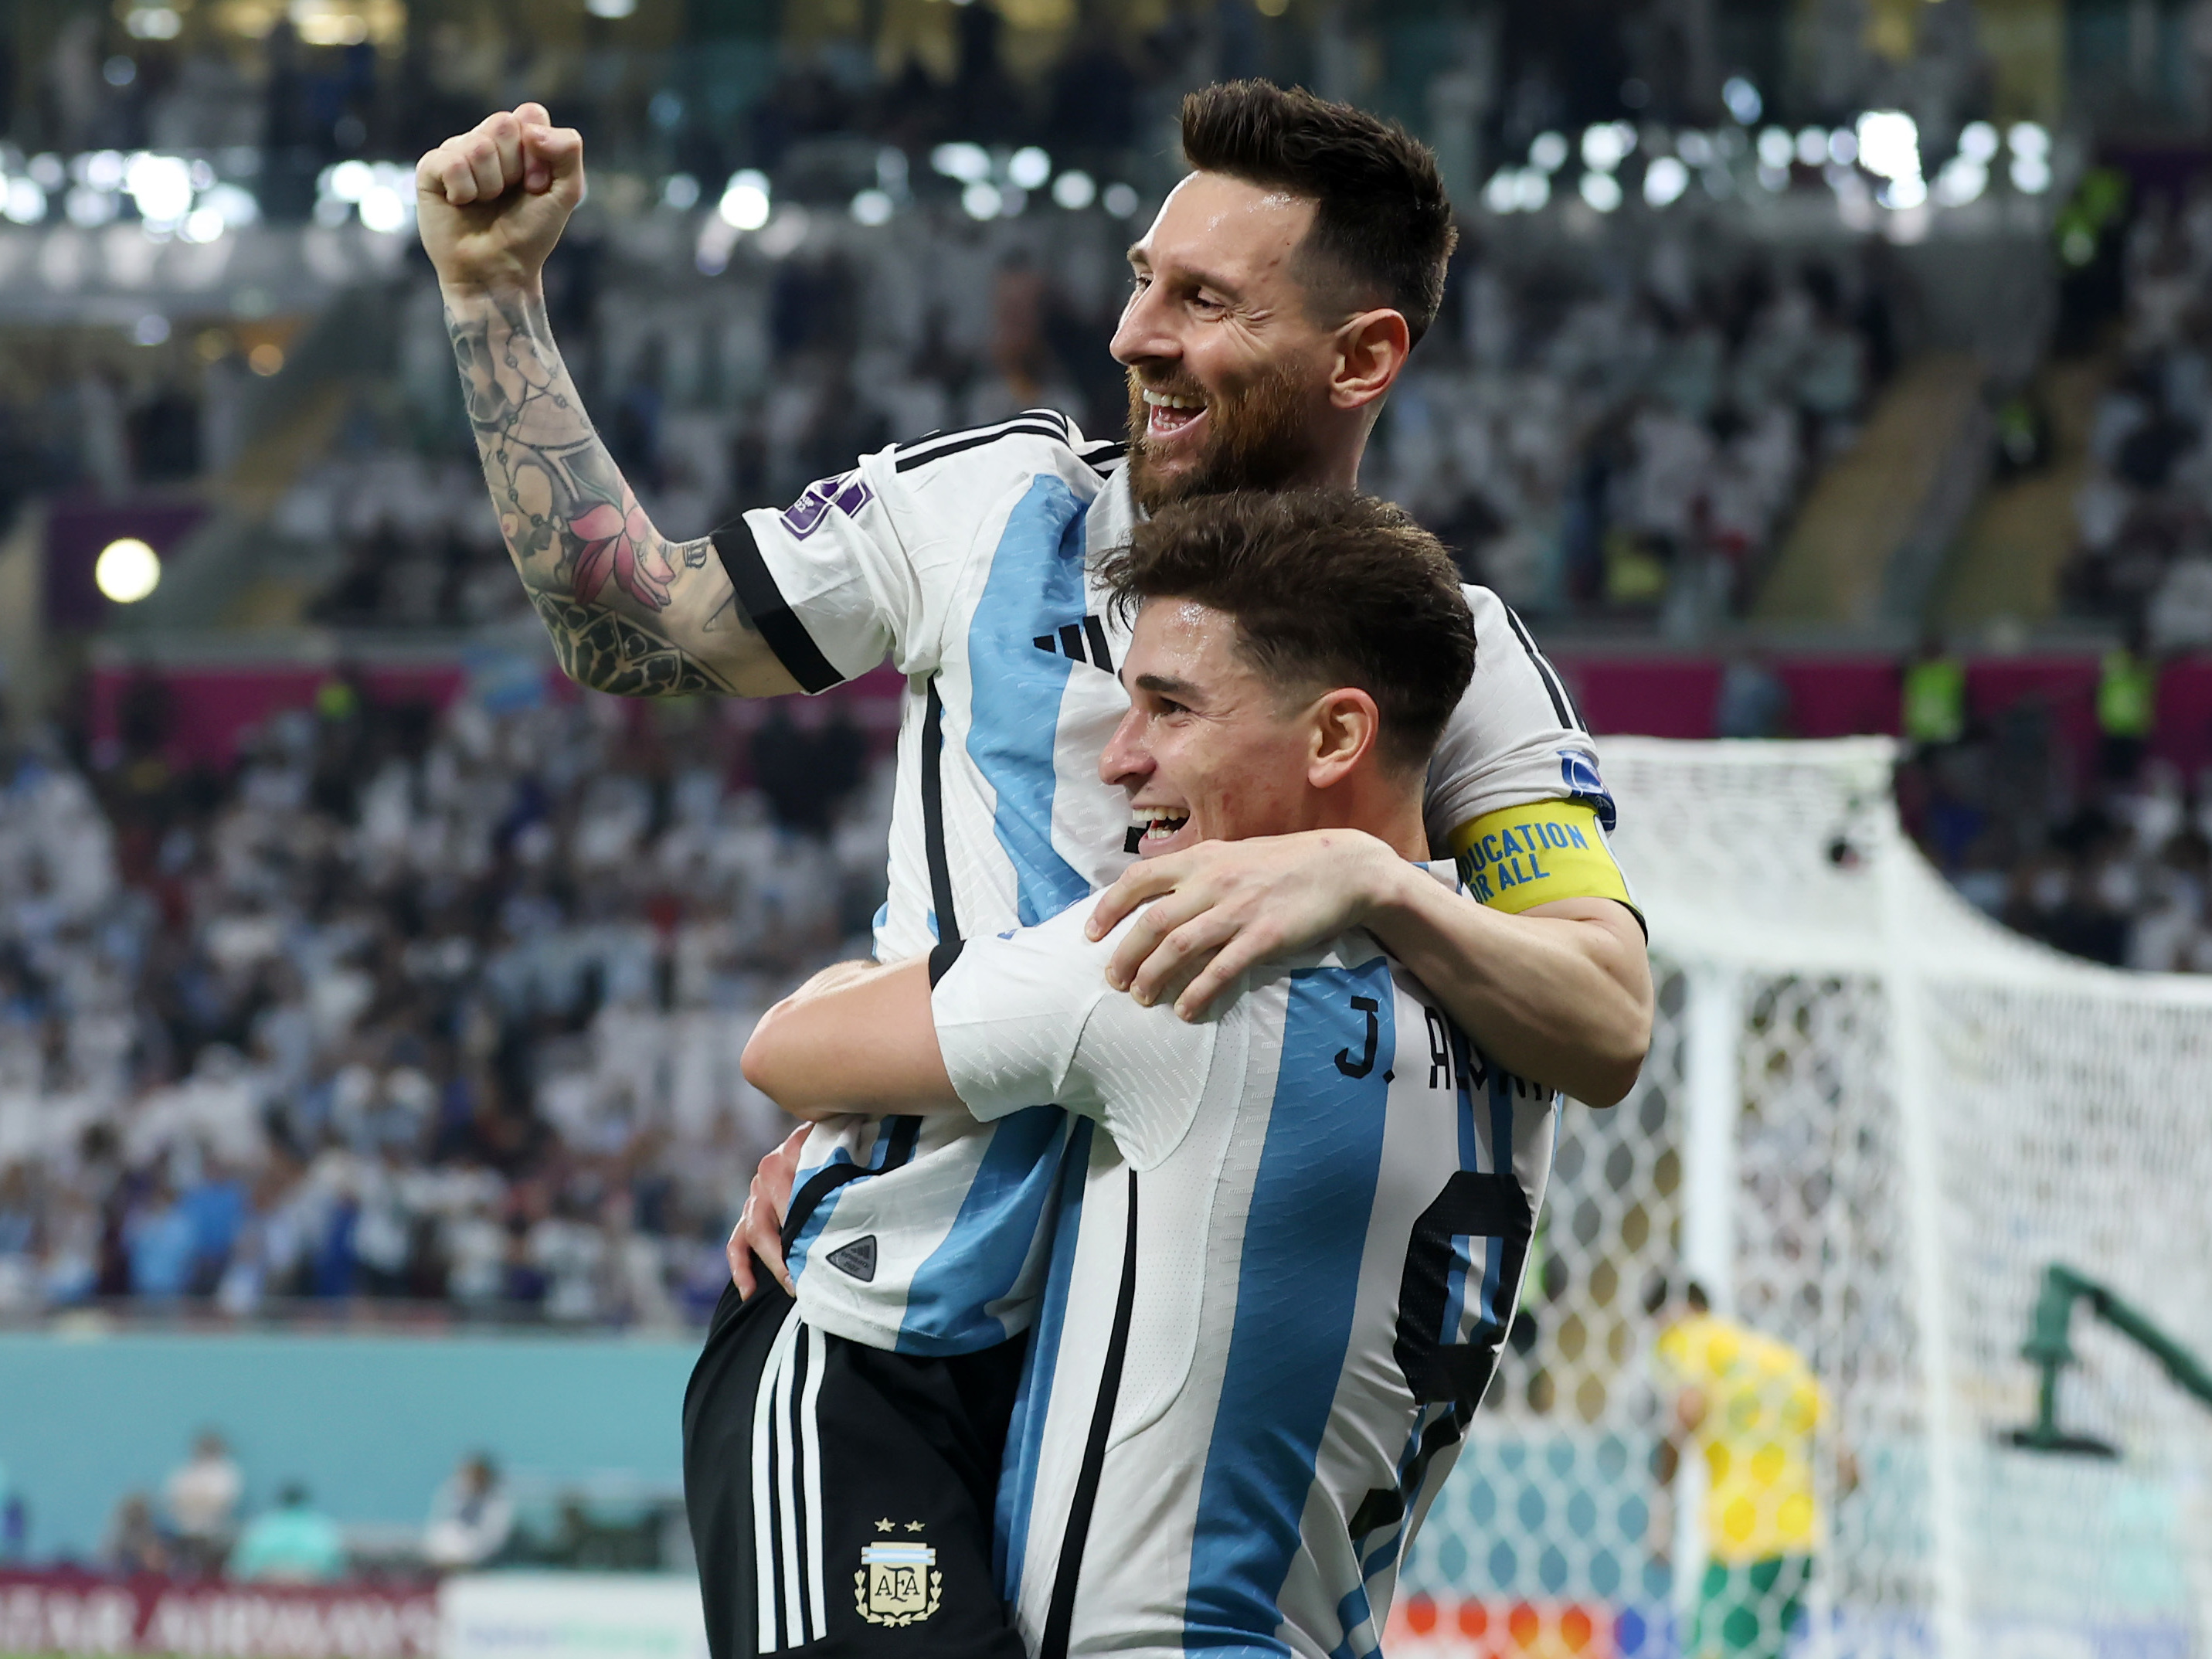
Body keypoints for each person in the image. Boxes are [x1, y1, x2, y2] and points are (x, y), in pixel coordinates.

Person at [416, 80, 1651, 1659]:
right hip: (891, 1340)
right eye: (1142, 280)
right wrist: (494, 295)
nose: (1136, 334)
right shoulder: (991, 506)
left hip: (1163, 1405)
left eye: (1204, 300)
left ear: (1361, 357)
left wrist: (1374, 879)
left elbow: (1602, 1014)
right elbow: (631, 626)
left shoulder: (1439, 653)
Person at [740, 489, 1568, 1654]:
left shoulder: (1181, 967)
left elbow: (784, 1050)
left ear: (1334, 737)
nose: (1118, 759)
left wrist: (857, 1027)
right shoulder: (1516, 1009)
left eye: (1170, 708)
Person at [1654, 1283, 1854, 1659]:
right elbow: (1850, 1468)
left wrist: (1661, 1509)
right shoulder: (1782, 1359)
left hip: (1741, 1540)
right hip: (1800, 1540)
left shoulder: (1689, 1339)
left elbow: (1686, 1413)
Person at [229, 1483, 347, 1583]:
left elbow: (239, 1570)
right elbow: (338, 1571)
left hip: (268, 1589)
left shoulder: (261, 1527)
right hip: (310, 1589)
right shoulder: (323, 1529)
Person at [164, 1430, 243, 1575]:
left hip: (216, 1534)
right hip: (185, 1532)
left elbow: (223, 1502)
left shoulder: (227, 1472)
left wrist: (196, 1502)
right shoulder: (185, 1471)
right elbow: (172, 1500)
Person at [423, 1453, 515, 1570]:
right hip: (444, 1556)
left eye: (479, 1476)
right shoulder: (452, 1495)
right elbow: (437, 1529)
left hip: (481, 1561)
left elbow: (494, 1540)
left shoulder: (499, 1503)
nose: (475, 1481)